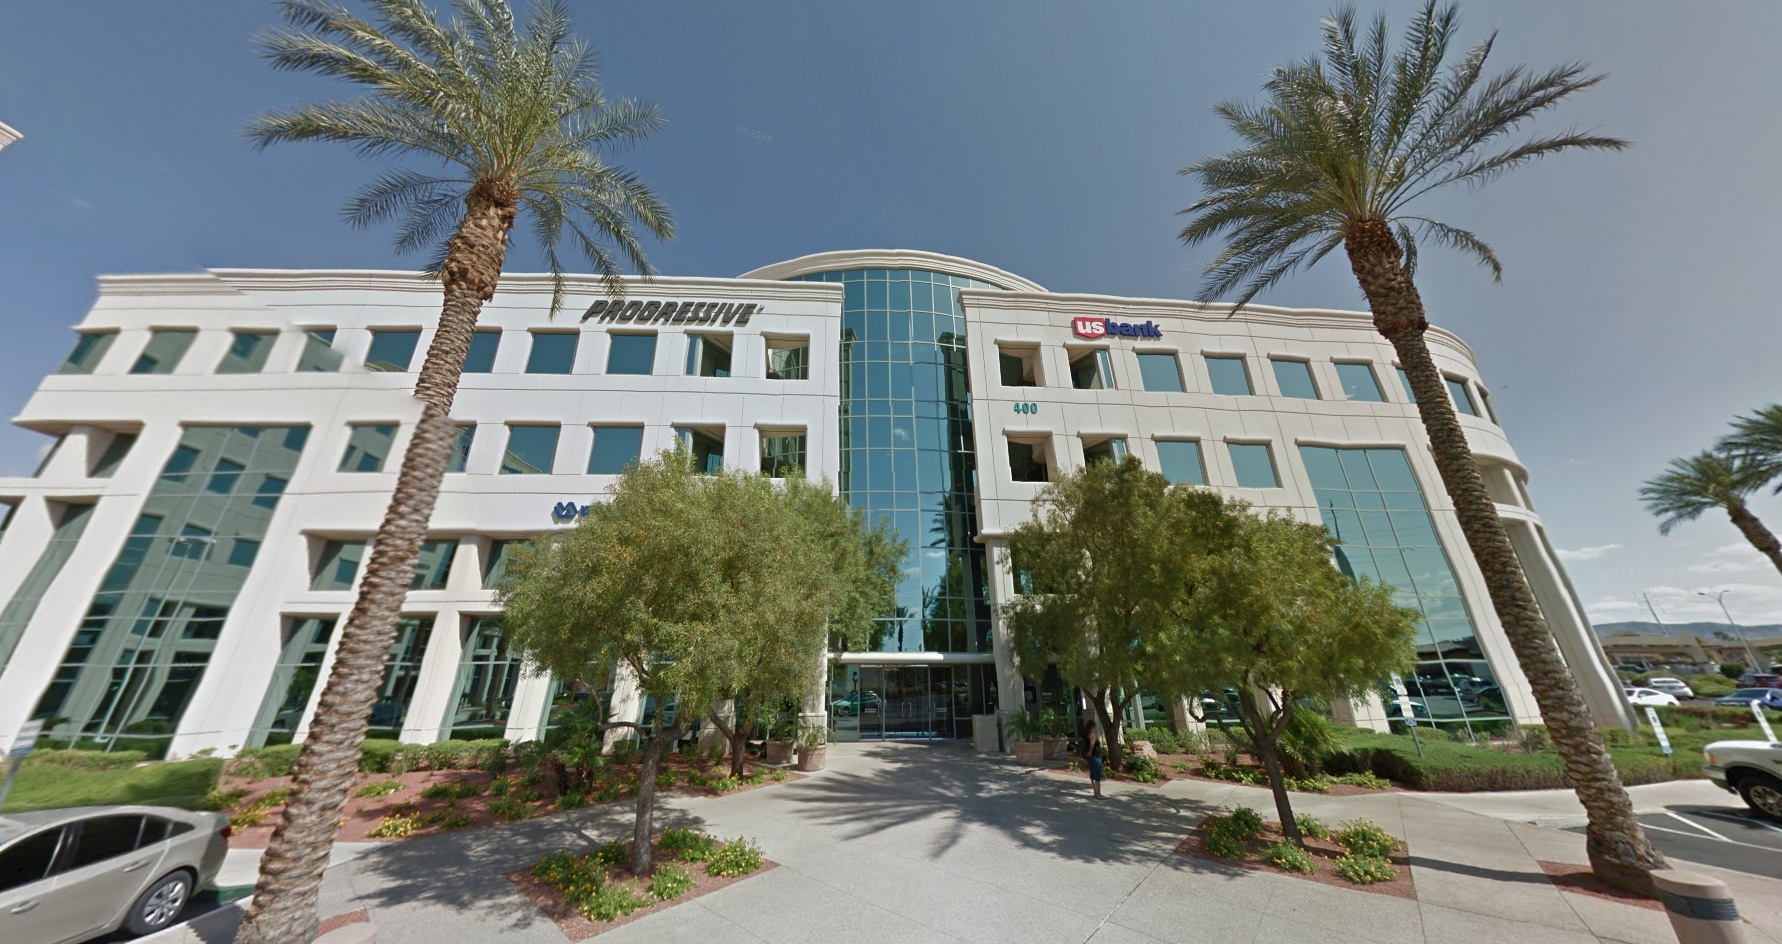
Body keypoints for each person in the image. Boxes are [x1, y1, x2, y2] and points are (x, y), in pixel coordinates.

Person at [1086, 728, 1105, 798]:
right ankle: (1098, 794)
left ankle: (1095, 792)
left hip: (1091, 758)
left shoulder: (1087, 736)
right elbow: (1092, 743)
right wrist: (1090, 751)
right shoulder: (1092, 734)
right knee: (1097, 775)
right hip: (1096, 757)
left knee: (1093, 775)